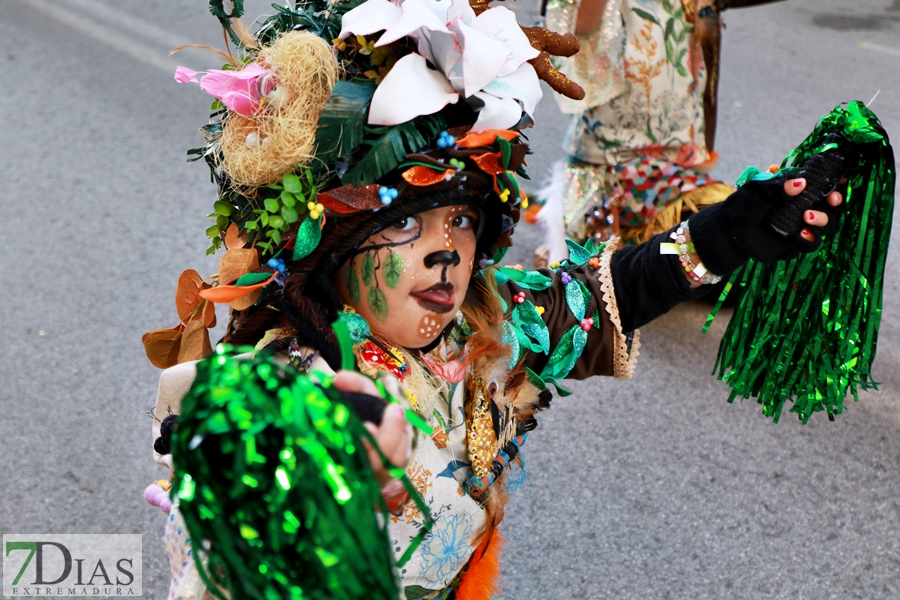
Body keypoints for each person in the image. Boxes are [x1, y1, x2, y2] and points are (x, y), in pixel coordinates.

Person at [142, 0, 846, 598]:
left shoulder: (484, 336)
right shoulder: (296, 367)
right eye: (407, 223)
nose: (446, 249)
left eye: (463, 220)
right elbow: (218, 416)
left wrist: (724, 237)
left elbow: (611, 295)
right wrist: (321, 436)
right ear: (329, 245)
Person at [537, 0, 785, 264]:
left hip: (678, 175)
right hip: (615, 181)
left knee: (754, 240)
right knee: (727, 247)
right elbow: (578, 26)